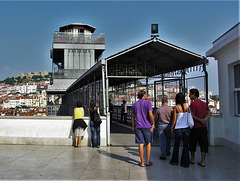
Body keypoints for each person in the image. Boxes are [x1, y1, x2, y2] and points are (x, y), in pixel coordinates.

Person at [131, 90, 155, 167]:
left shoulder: (135, 104)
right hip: (147, 126)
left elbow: (133, 117)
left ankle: (142, 162)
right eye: (146, 94)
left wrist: (133, 127)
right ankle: (148, 161)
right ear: (144, 95)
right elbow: (150, 114)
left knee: (140, 143)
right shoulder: (148, 103)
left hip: (138, 126)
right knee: (148, 143)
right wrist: (153, 123)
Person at [189, 88, 211, 167]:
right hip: (203, 127)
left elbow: (192, 115)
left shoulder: (193, 104)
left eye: (190, 94)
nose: (189, 95)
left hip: (196, 126)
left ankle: (192, 159)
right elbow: (209, 113)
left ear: (193, 94)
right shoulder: (204, 104)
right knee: (203, 143)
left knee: (193, 143)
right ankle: (202, 161)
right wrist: (204, 119)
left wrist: (200, 120)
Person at [170, 92, 191, 168]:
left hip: (178, 128)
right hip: (186, 128)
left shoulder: (176, 107)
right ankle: (185, 162)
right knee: (186, 146)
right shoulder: (187, 106)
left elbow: (174, 119)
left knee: (176, 145)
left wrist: (172, 127)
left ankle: (175, 160)